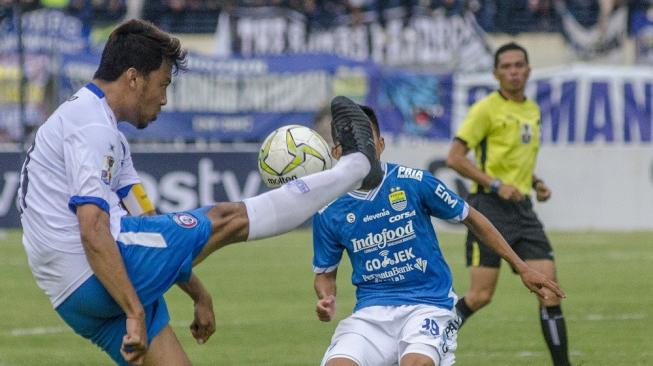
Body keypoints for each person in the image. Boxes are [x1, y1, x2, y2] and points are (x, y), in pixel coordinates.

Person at [17, 19, 384, 366]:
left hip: (72, 297)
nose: (164, 99)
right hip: (97, 272)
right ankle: (357, 167)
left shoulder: (98, 127)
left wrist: (198, 293)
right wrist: (135, 312)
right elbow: (92, 228)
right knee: (226, 218)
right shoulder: (92, 127)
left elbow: (149, 224)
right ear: (133, 79)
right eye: (162, 85)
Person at [312, 105, 565, 366]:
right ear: (337, 152)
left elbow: (472, 218)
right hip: (370, 314)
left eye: (367, 141)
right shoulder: (328, 210)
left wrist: (522, 267)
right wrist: (326, 298)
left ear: (381, 144)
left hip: (428, 305)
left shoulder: (414, 182)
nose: (361, 151)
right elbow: (325, 274)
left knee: (417, 363)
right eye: (352, 146)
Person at [446, 42, 572, 366]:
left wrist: (536, 183)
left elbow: (517, 163)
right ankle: (430, 339)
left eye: (519, 65)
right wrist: (496, 185)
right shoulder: (485, 109)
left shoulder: (532, 110)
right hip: (488, 209)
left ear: (528, 70)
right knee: (480, 296)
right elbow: (455, 158)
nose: (513, 72)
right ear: (495, 73)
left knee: (549, 291)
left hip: (523, 211)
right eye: (507, 67)